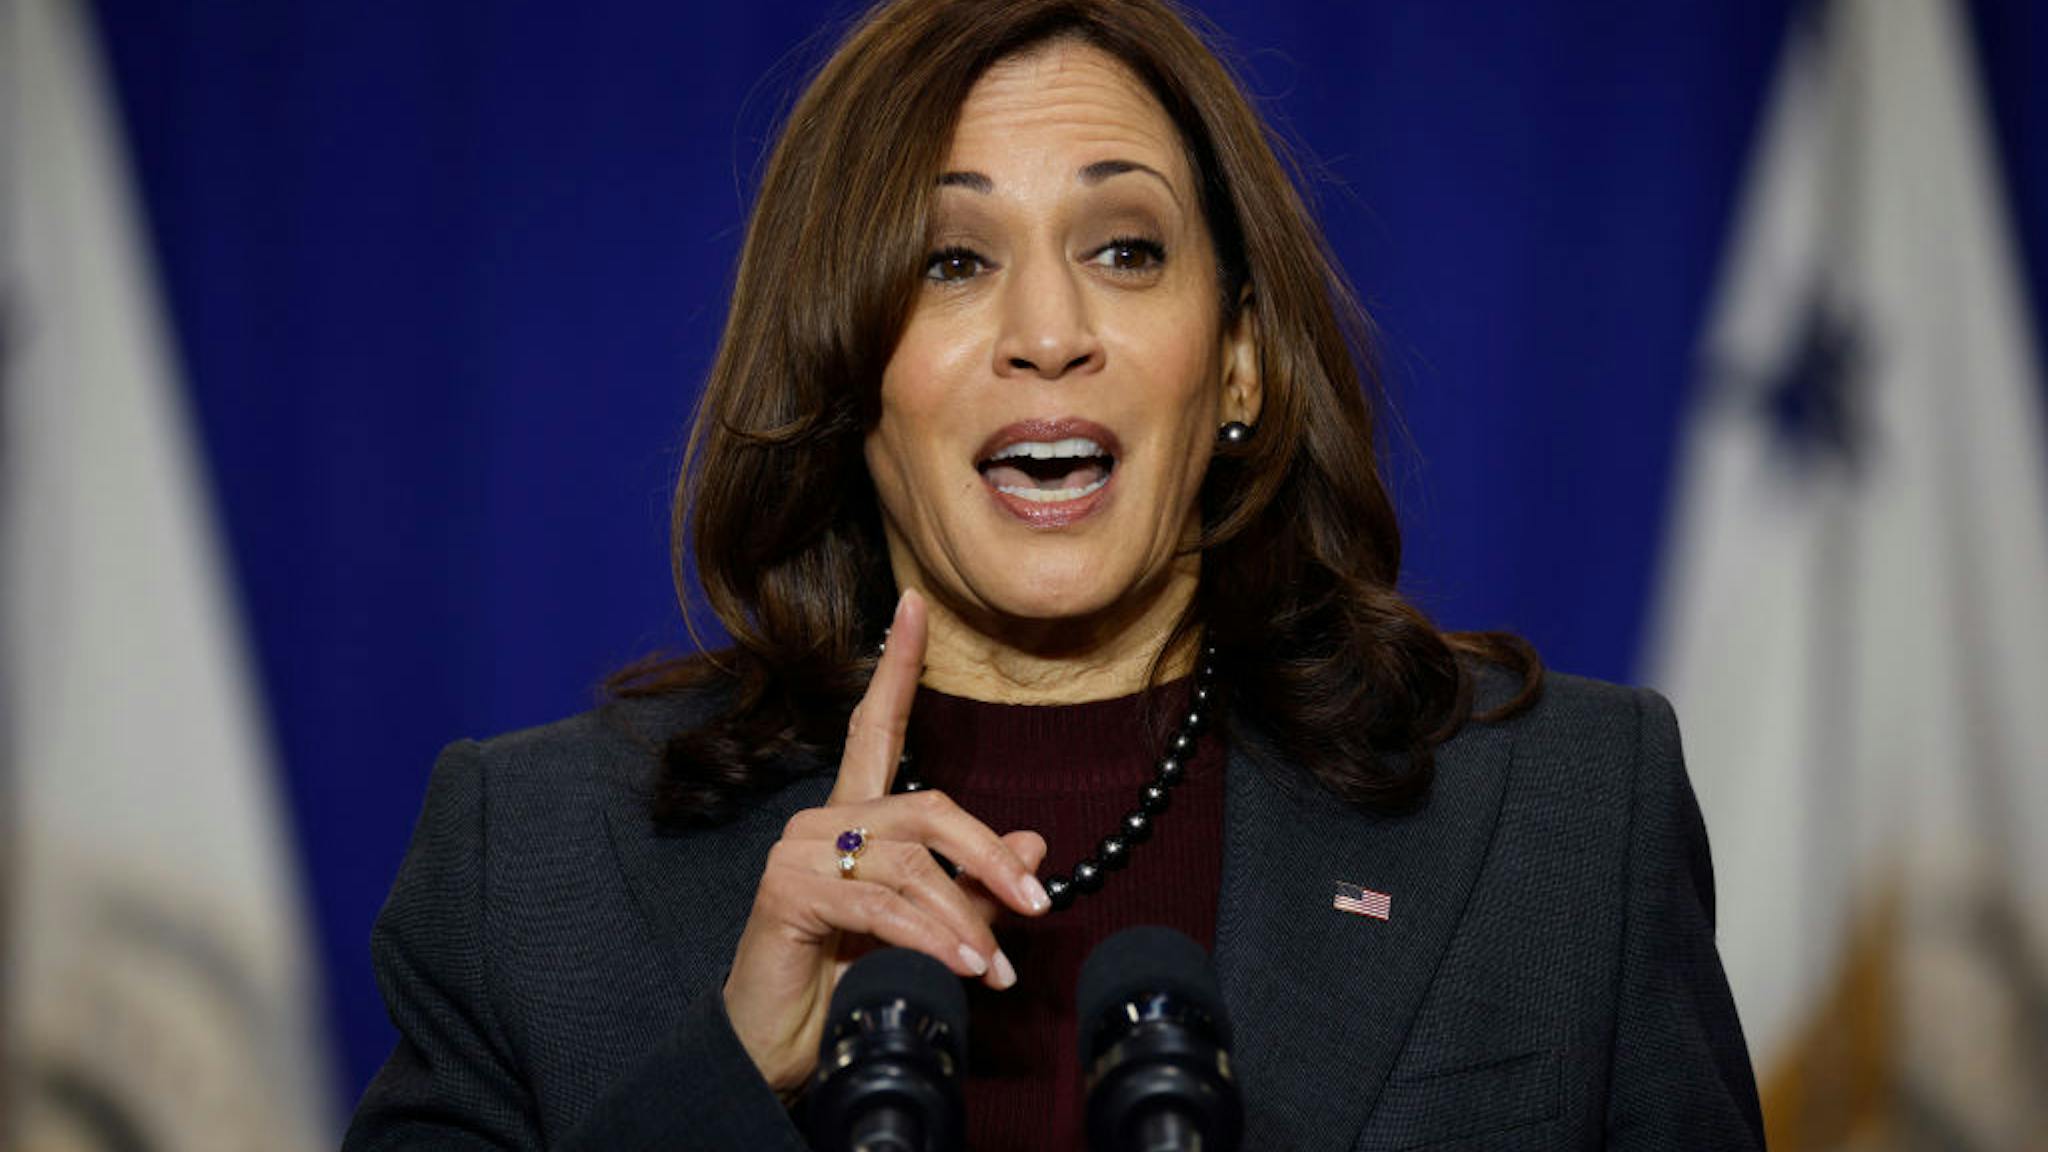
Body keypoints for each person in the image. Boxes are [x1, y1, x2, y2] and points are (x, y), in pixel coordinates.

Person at [343, 0, 1764, 1148]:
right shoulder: (534, 864)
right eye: (953, 261)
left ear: (1242, 365)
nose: (1048, 329)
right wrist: (732, 1078)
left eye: (1127, 249)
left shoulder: (1565, 818)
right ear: (849, 374)